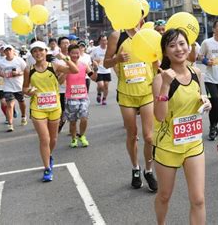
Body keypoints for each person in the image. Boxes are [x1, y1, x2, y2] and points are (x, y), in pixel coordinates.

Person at [152, 28, 211, 225]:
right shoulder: (161, 79)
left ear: (188, 45)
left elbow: (198, 98)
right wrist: (166, 86)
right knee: (164, 196)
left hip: (193, 144)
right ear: (165, 52)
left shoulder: (196, 73)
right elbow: (159, 116)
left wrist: (205, 101)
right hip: (168, 146)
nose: (179, 49)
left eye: (182, 43)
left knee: (199, 199)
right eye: (172, 45)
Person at [104, 18, 158, 192]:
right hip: (127, 94)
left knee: (149, 137)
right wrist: (117, 59)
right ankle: (135, 168)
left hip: (147, 93)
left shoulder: (148, 35)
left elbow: (156, 62)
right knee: (132, 134)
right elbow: (106, 62)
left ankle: (148, 171)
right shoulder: (117, 35)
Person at [22, 41, 78, 182]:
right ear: (32, 54)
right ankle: (47, 168)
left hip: (54, 107)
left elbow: (74, 70)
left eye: (40, 50)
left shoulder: (54, 66)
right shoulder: (29, 69)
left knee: (53, 139)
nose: (38, 53)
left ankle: (49, 155)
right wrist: (30, 92)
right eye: (34, 51)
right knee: (45, 139)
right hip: (38, 109)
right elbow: (24, 89)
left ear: (45, 51)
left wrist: (65, 57)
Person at [63, 45, 96, 148]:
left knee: (84, 118)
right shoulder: (65, 66)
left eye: (77, 53)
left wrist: (96, 68)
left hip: (83, 96)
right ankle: (74, 139)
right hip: (71, 97)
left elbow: (94, 78)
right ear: (69, 54)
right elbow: (59, 81)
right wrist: (66, 71)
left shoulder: (84, 65)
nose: (75, 55)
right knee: (72, 121)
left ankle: (82, 136)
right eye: (73, 53)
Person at [0, 44, 27, 132]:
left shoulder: (19, 60)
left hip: (19, 85)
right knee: (10, 105)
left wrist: (19, 73)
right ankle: (10, 124)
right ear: (4, 52)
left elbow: (26, 70)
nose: (8, 52)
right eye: (6, 50)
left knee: (22, 102)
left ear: (13, 51)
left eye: (10, 50)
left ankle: (23, 116)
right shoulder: (1, 62)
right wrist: (2, 74)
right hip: (8, 87)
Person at [0, 44, 17, 124]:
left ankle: (12, 111)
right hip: (0, 84)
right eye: (1, 49)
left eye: (5, 49)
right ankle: (7, 116)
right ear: (0, 51)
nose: (4, 50)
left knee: (9, 102)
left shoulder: (14, 59)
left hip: (11, 84)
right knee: (3, 102)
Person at [91, 35, 111, 105]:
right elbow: (91, 59)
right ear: (99, 41)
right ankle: (99, 93)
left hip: (107, 70)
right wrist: (95, 62)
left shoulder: (109, 49)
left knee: (106, 85)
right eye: (102, 40)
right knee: (101, 85)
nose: (104, 42)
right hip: (99, 70)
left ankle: (104, 99)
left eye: (105, 40)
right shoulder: (95, 49)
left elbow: (113, 58)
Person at [56, 36, 70, 132]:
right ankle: (60, 124)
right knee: (62, 110)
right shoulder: (56, 59)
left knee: (73, 110)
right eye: (64, 43)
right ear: (59, 45)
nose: (66, 45)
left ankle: (72, 130)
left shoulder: (74, 56)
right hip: (61, 89)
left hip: (73, 88)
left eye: (67, 43)